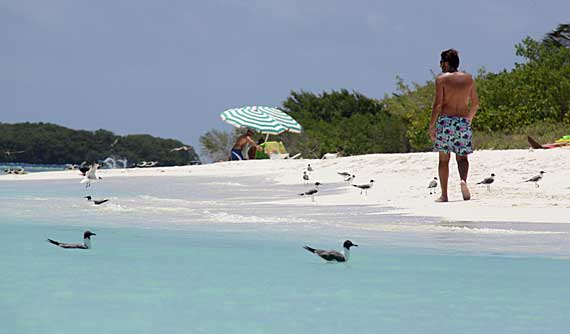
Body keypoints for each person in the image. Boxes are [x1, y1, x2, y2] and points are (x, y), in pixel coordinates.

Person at [429, 49, 479, 202]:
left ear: (445, 63)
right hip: (462, 121)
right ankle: (463, 180)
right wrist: (468, 120)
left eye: (441, 63)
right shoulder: (468, 79)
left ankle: (444, 195)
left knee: (444, 160)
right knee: (462, 158)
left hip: (445, 121)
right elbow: (475, 104)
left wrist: (432, 126)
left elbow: (438, 105)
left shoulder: (441, 79)